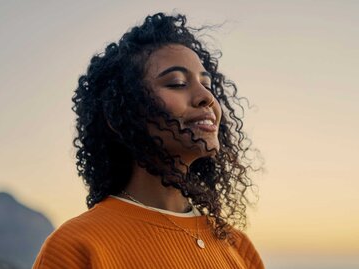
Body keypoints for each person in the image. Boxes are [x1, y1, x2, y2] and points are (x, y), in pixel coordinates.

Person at [33, 12, 264, 269]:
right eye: (177, 83)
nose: (206, 97)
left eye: (207, 84)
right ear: (122, 114)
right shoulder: (75, 247)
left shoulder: (236, 245)